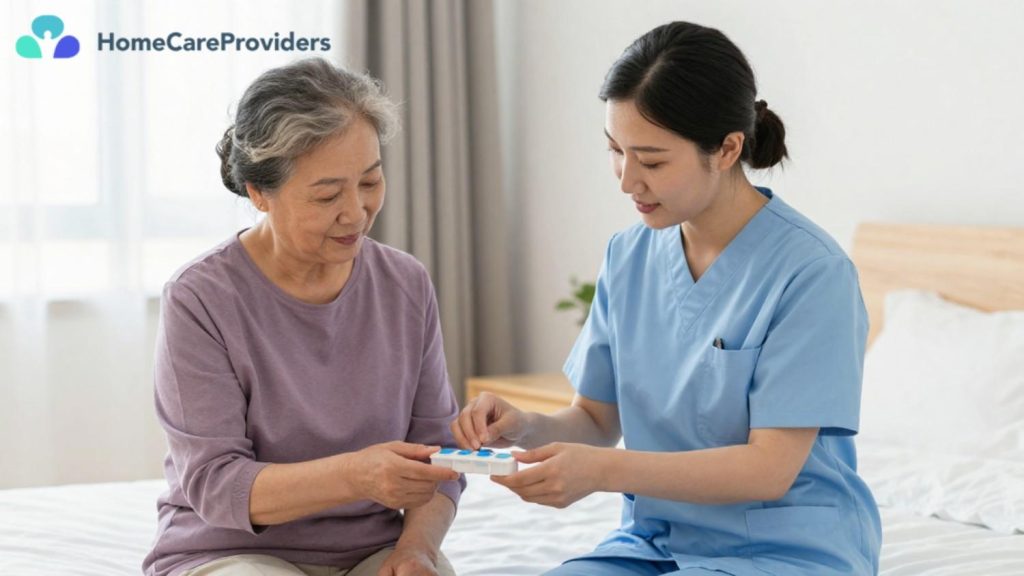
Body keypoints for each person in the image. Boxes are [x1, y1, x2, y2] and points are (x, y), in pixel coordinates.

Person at [452, 21, 881, 576]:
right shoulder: (628, 256)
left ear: (727, 148)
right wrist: (524, 426)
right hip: (657, 542)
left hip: (785, 550)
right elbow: (596, 419)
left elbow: (768, 470)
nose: (627, 180)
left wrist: (603, 472)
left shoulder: (812, 273)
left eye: (652, 161)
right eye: (616, 150)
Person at [143, 58, 464, 576]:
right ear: (259, 193)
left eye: (370, 182)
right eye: (327, 194)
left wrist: (417, 549)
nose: (356, 212)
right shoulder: (200, 298)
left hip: (374, 550)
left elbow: (440, 455)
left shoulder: (405, 283)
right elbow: (215, 485)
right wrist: (356, 476)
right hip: (232, 551)